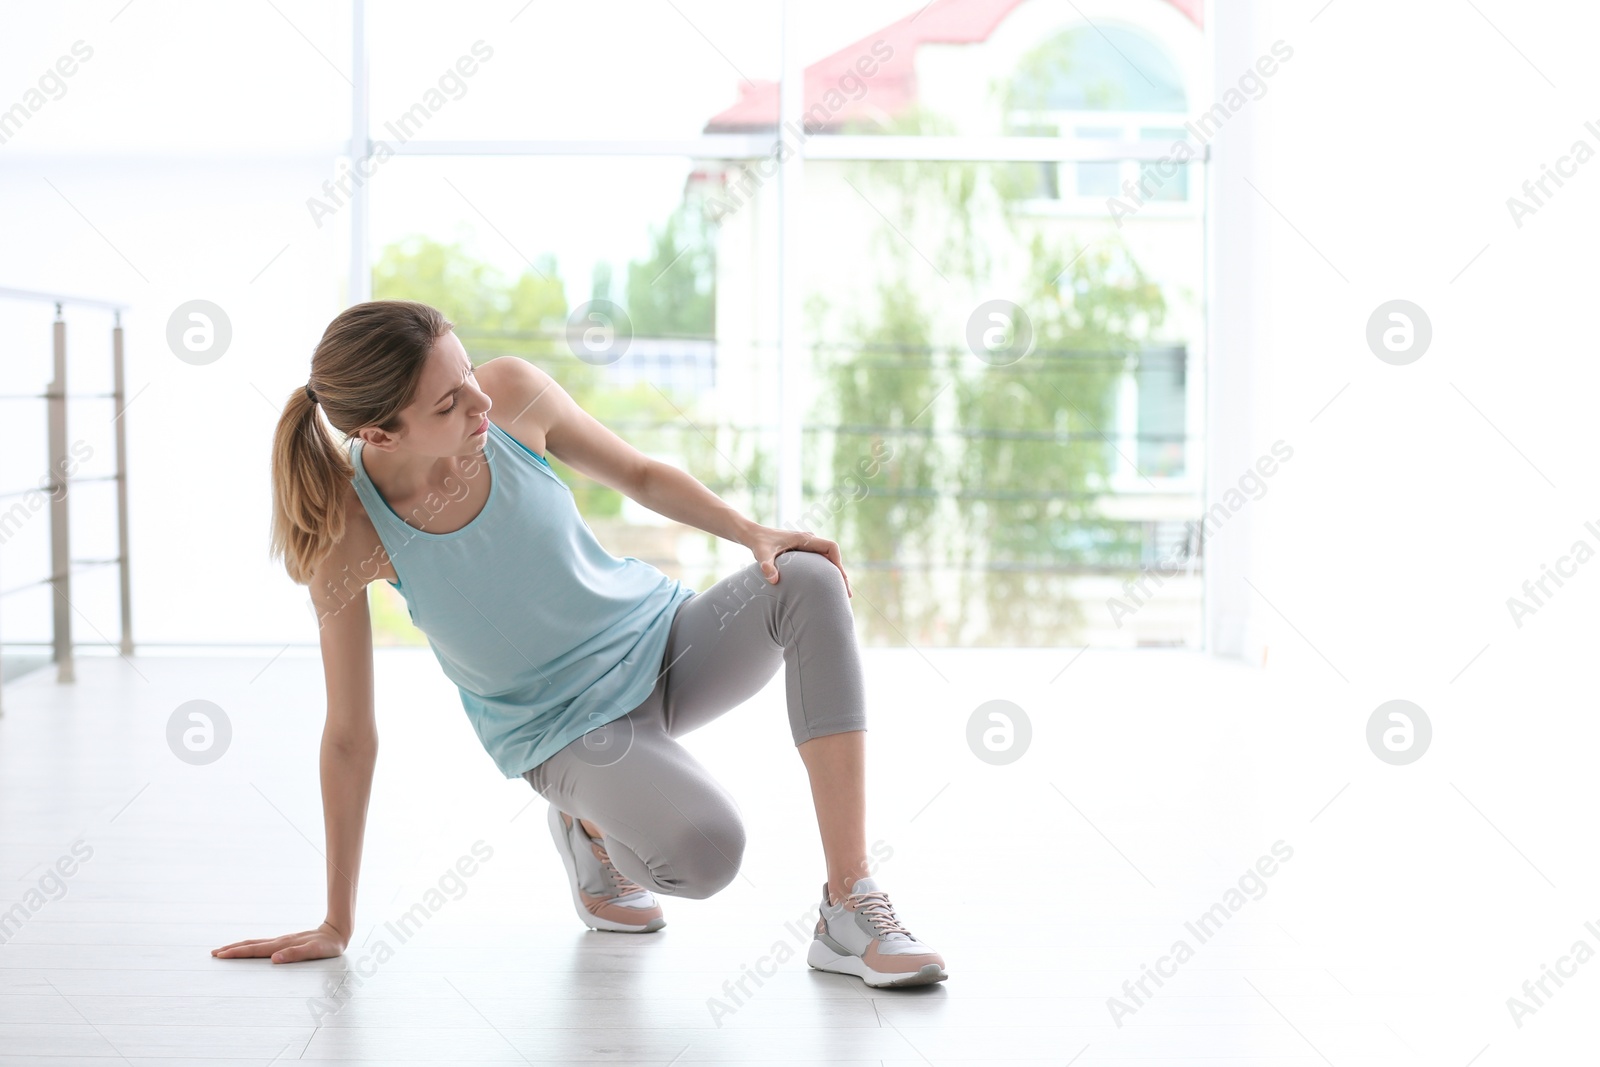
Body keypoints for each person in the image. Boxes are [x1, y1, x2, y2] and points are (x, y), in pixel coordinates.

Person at [209, 300, 947, 989]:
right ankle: (589, 822)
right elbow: (348, 733)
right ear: (379, 433)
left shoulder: (514, 394)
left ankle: (849, 902)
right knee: (707, 852)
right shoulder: (350, 530)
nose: (481, 403)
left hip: (662, 643)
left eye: (467, 374)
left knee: (809, 578)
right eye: (449, 401)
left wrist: (753, 533)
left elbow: (640, 473)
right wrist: (338, 920)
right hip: (566, 732)